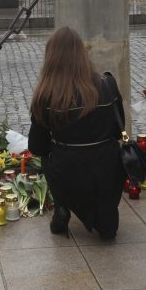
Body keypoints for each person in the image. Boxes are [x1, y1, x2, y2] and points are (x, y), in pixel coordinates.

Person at [27, 27, 125, 240]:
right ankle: (104, 213)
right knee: (108, 230)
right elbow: (119, 130)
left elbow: (37, 146)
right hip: (106, 168)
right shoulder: (107, 85)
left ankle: (62, 204)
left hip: (67, 171)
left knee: (47, 157)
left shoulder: (46, 95)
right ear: (82, 54)